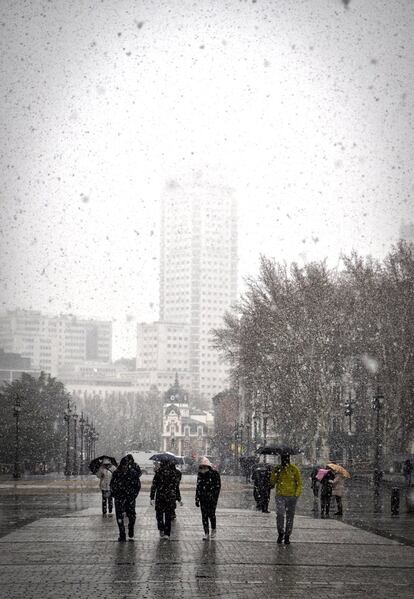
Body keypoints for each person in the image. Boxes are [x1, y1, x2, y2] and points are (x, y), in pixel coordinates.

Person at [270, 452, 302, 545]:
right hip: (280, 495)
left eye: (286, 458)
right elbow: (272, 482)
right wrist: (274, 473)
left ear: (289, 459)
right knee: (280, 514)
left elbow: (299, 483)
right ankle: (280, 533)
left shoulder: (294, 469)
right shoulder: (277, 469)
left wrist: (296, 494)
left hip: (292, 496)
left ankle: (287, 535)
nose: (285, 460)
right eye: (283, 459)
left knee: (290, 516)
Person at [110, 456, 141, 542]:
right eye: (123, 465)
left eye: (126, 466)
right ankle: (122, 534)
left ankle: (130, 531)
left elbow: (137, 486)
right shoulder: (117, 473)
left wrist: (133, 495)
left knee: (131, 516)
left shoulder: (132, 473)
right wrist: (115, 494)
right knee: (120, 516)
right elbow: (112, 485)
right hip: (121, 498)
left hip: (128, 498)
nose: (124, 467)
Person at [150, 461, 182, 540]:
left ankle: (162, 529)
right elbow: (176, 487)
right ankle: (166, 533)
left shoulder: (158, 473)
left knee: (159, 515)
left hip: (161, 496)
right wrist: (178, 498)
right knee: (167, 516)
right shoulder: (173, 474)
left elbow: (154, 486)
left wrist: (152, 497)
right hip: (169, 497)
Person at [195, 456, 221, 540]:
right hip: (203, 498)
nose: (203, 468)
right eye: (202, 467)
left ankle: (213, 529)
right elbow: (198, 487)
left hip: (212, 499)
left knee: (211, 514)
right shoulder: (200, 475)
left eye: (204, 466)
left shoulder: (214, 474)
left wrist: (214, 496)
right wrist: (197, 498)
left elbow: (217, 486)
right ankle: (206, 533)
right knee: (204, 516)